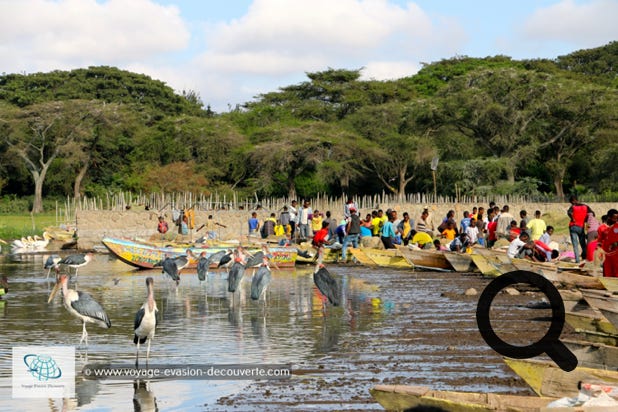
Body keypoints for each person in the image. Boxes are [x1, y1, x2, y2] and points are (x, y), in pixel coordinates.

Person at [567, 195, 593, 263]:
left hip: (573, 226)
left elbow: (569, 212)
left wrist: (573, 218)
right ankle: (585, 258)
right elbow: (592, 214)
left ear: (573, 201)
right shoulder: (586, 207)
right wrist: (586, 221)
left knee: (575, 244)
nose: (571, 204)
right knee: (583, 244)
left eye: (571, 202)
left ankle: (577, 260)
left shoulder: (573, 207)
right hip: (581, 227)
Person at [599, 209, 618, 277]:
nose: (616, 220)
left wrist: (616, 244)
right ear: (609, 218)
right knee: (608, 272)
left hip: (615, 255)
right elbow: (600, 240)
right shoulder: (605, 229)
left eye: (617, 218)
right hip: (607, 255)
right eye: (614, 218)